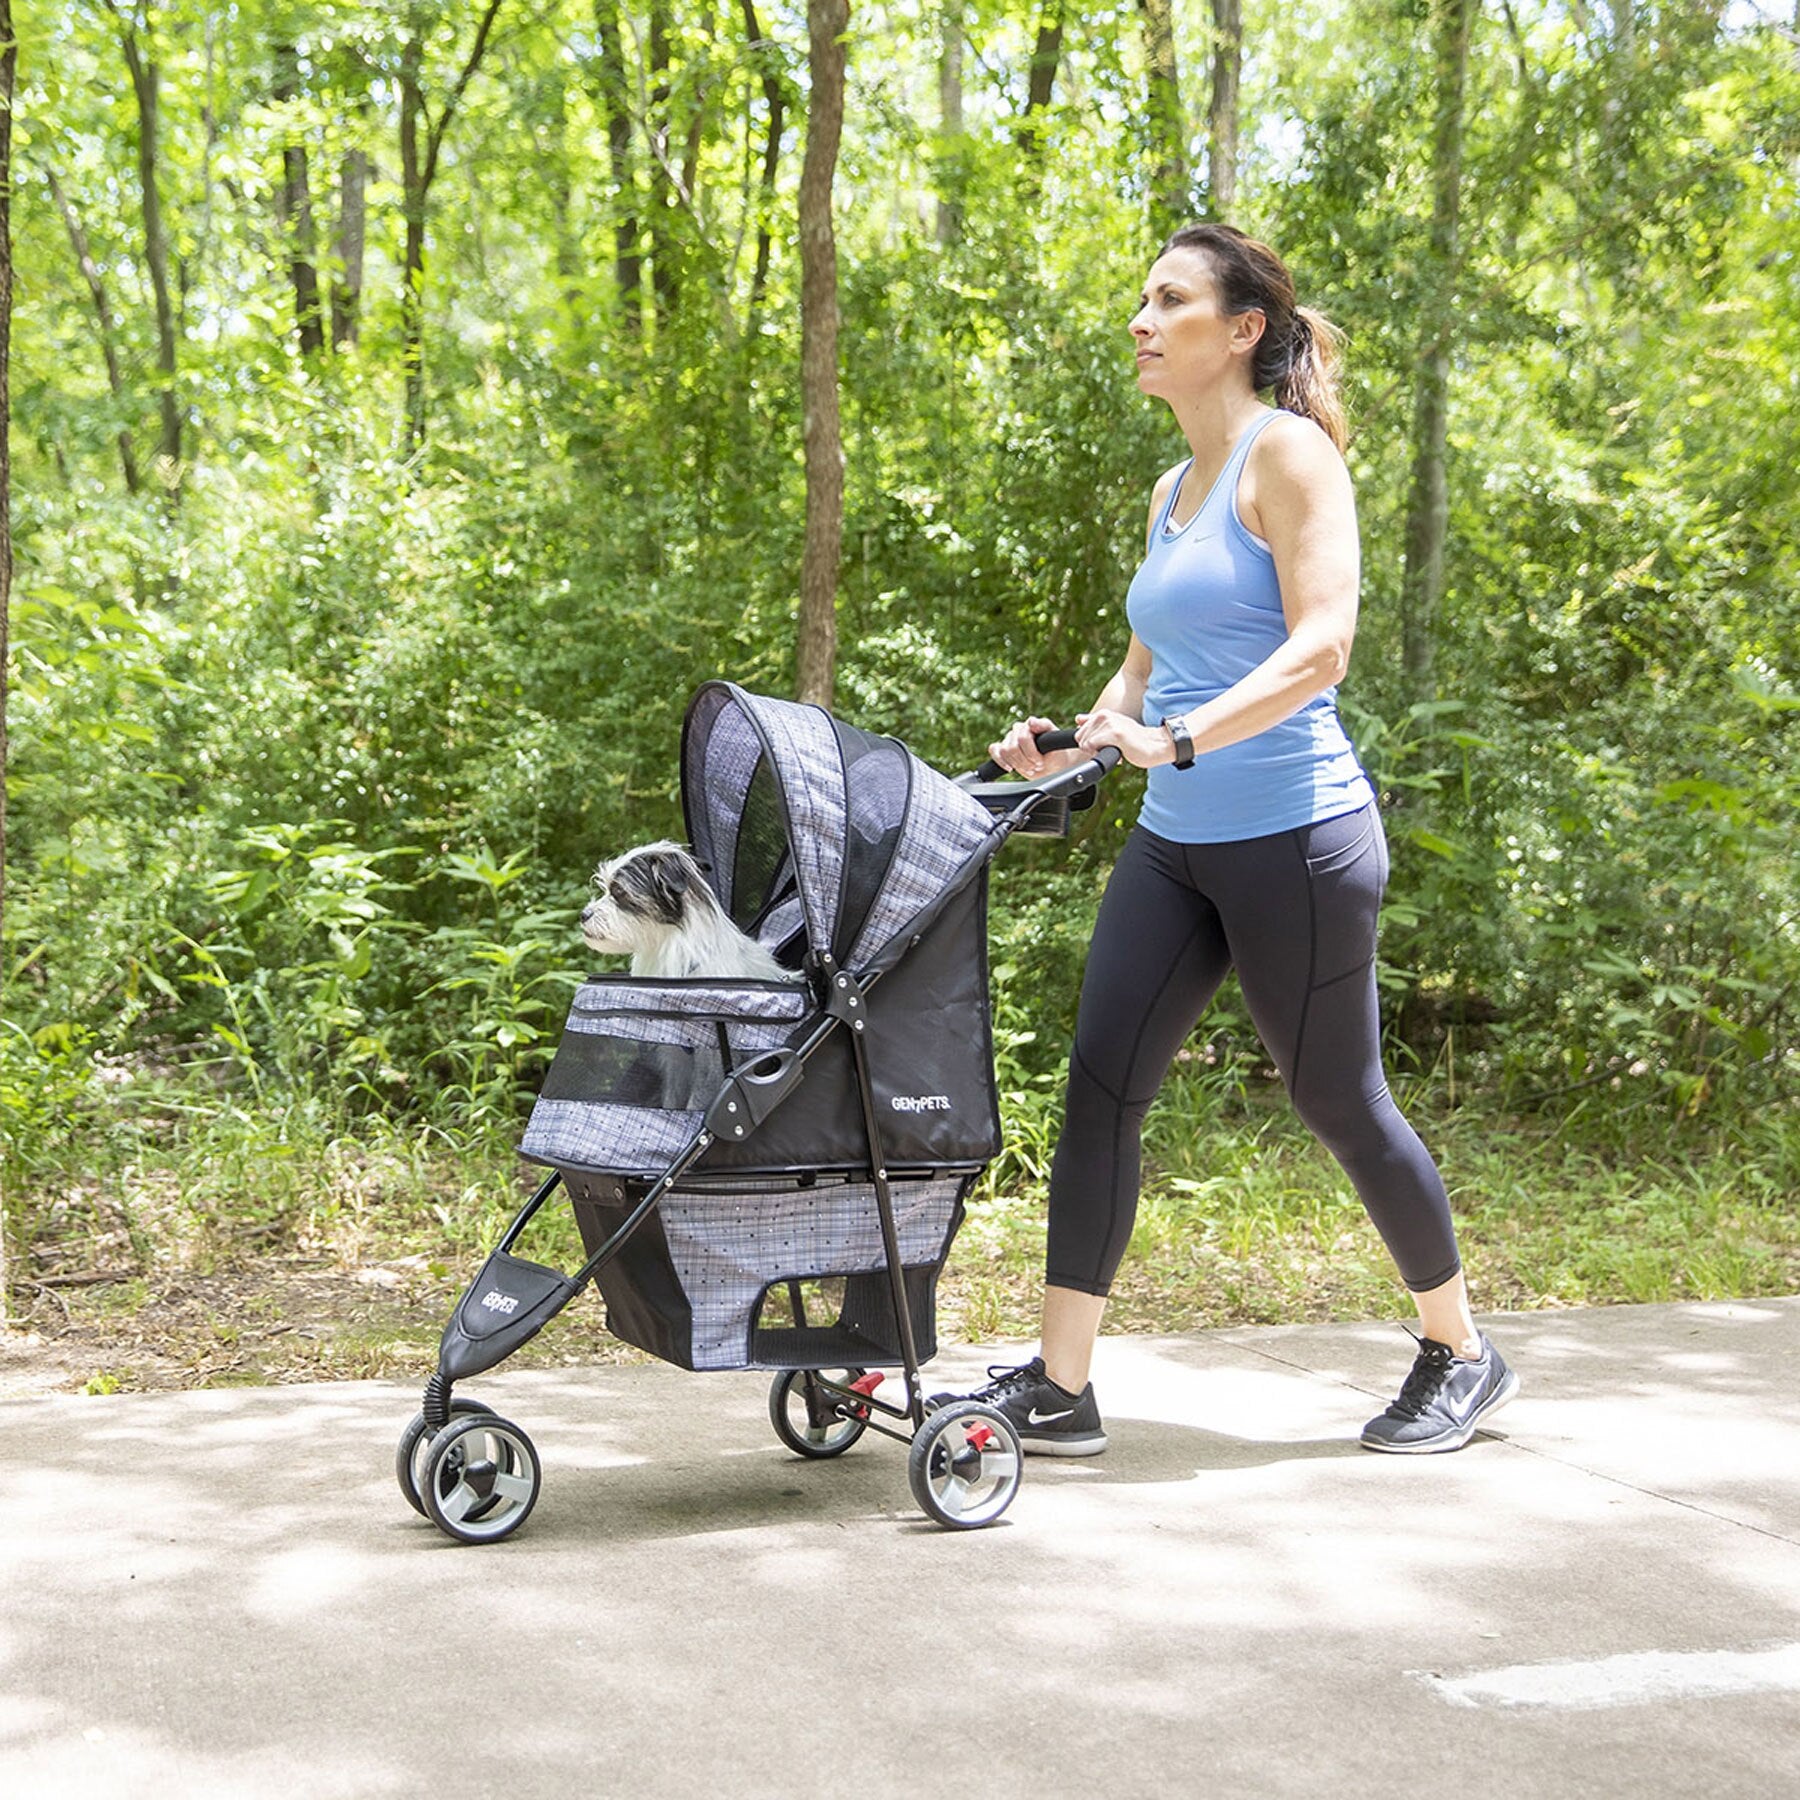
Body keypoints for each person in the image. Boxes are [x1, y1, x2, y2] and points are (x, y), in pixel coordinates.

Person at [947, 223, 1518, 1456]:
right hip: (1178, 840)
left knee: (1338, 1096)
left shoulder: (1290, 455)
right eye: (1141, 299)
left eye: (1170, 299)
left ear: (1242, 328)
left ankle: (1462, 1352)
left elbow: (1322, 648)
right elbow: (1150, 670)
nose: (1142, 320)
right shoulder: (1173, 489)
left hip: (1297, 834)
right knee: (1101, 1086)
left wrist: (1182, 739)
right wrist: (1087, 737)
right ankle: (1063, 1385)